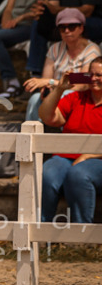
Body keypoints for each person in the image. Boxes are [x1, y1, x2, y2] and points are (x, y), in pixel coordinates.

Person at [38, 57, 102, 223]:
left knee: (78, 174)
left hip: (97, 159)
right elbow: (47, 117)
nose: (94, 79)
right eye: (91, 74)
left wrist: (89, 156)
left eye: (99, 75)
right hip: (66, 157)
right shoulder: (76, 97)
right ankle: (42, 229)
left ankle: (80, 232)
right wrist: (59, 89)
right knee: (47, 173)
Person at [23, 8, 101, 121]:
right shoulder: (55, 48)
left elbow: (84, 82)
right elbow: (45, 78)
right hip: (56, 93)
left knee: (66, 95)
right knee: (35, 99)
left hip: (80, 96)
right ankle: (32, 130)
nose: (67, 31)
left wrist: (51, 82)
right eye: (62, 28)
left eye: (72, 27)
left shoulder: (92, 50)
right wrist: (46, 87)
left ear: (81, 28)